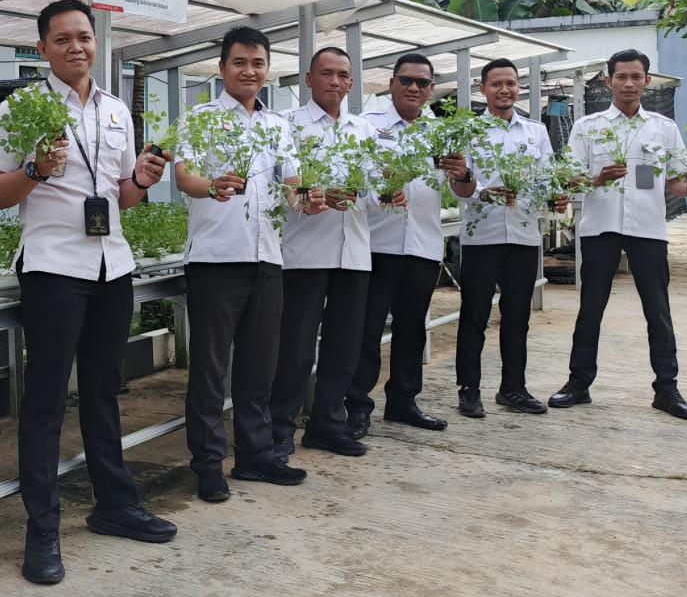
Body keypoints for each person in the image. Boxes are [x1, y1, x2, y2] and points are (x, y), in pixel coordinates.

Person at [0, 0, 175, 586]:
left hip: (111, 268)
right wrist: (36, 171)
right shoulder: (23, 108)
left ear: (97, 44)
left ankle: (114, 505)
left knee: (102, 393)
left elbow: (123, 199)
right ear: (42, 48)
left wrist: (140, 181)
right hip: (53, 269)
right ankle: (42, 530)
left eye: (83, 37)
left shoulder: (116, 112)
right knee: (44, 404)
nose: (76, 47)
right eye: (62, 39)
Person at [174, 26, 309, 503]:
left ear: (268, 69)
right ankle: (208, 464)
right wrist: (210, 185)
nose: (249, 71)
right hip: (216, 260)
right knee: (210, 370)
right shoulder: (201, 118)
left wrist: (308, 200)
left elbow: (293, 182)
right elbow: (183, 174)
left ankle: (255, 456)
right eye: (239, 63)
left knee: (259, 366)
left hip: (268, 259)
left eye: (257, 63)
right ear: (222, 68)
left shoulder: (277, 125)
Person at [548, 49, 687, 420]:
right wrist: (597, 178)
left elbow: (675, 183)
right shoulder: (588, 127)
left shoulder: (662, 128)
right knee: (591, 308)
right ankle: (578, 383)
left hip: (648, 231)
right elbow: (569, 177)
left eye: (636, 76)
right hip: (600, 229)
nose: (629, 83)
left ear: (647, 82)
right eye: (621, 77)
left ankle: (667, 390)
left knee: (658, 310)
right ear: (608, 82)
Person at [344, 53, 476, 439]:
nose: (414, 88)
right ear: (391, 84)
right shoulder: (368, 127)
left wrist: (464, 173)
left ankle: (402, 401)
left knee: (412, 328)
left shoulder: (443, 133)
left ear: (432, 89)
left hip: (422, 245)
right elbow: (355, 180)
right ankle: (357, 406)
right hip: (376, 245)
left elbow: (464, 191)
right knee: (366, 330)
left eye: (422, 83)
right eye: (406, 81)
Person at [273, 46, 392, 458]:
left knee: (345, 344)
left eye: (343, 75)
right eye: (326, 73)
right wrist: (312, 195)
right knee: (296, 346)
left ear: (351, 83)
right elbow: (282, 189)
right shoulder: (287, 125)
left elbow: (379, 193)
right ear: (308, 79)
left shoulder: (364, 131)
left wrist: (388, 191)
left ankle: (327, 423)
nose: (335, 82)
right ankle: (280, 427)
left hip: (354, 253)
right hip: (304, 254)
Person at [455, 58, 567, 418]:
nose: (505, 90)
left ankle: (513, 389)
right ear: (482, 89)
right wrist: (484, 191)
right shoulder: (468, 132)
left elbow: (548, 179)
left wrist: (557, 195)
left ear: (519, 88)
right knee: (474, 315)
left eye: (511, 84)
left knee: (518, 316)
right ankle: (469, 391)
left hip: (523, 236)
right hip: (481, 237)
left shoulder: (535, 132)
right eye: (496, 84)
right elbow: (458, 187)